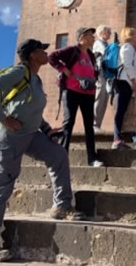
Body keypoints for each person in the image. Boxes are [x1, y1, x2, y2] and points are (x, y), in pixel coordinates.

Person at [0, 39, 83, 262]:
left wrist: (47, 129)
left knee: (58, 155)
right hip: (9, 137)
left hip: (31, 134)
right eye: (42, 50)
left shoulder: (35, 79)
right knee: (2, 184)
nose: (46, 53)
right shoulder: (19, 72)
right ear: (33, 55)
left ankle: (61, 206)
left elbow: (31, 110)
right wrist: (3, 119)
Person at [48, 27, 103, 167]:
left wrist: (94, 78)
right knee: (69, 123)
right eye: (91, 35)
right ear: (82, 37)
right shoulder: (72, 50)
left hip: (88, 94)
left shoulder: (90, 55)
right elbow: (52, 57)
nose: (93, 37)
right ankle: (62, 158)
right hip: (71, 91)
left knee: (89, 126)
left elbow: (94, 71)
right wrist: (63, 69)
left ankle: (92, 158)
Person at [113, 27, 136, 150]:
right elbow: (127, 63)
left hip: (125, 82)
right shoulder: (127, 47)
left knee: (122, 111)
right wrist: (133, 80)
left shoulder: (129, 48)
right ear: (130, 35)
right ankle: (116, 139)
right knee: (120, 111)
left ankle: (118, 138)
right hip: (124, 82)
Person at [92, 25, 112, 133]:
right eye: (108, 32)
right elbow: (106, 53)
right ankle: (94, 124)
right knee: (99, 97)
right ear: (102, 33)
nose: (110, 34)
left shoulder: (106, 44)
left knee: (104, 99)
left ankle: (98, 124)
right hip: (100, 73)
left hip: (107, 74)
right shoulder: (98, 43)